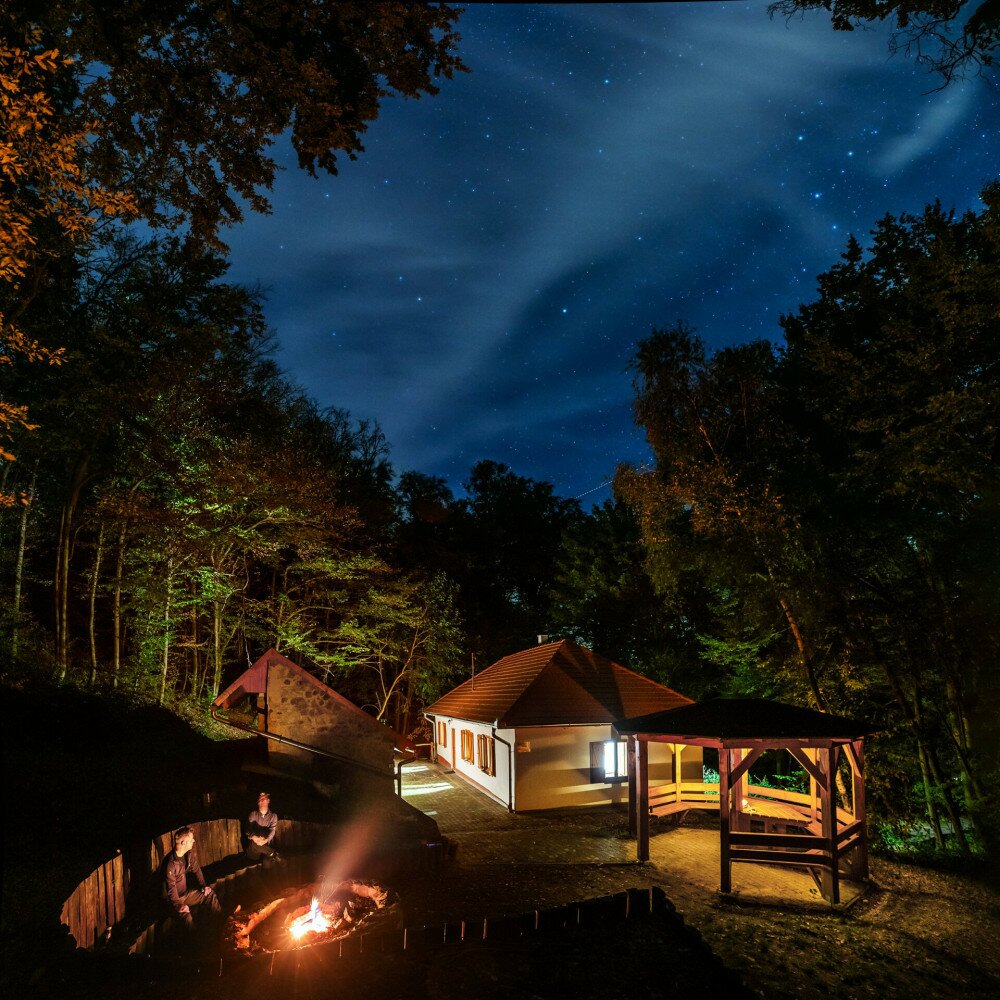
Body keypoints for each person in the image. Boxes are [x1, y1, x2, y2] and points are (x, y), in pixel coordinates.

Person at [162, 827, 220, 929]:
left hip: (185, 895)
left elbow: (197, 869)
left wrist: (203, 886)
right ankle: (195, 940)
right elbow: (171, 888)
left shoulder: (187, 855)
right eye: (191, 839)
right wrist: (178, 906)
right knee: (186, 917)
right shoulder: (170, 864)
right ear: (183, 843)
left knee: (209, 894)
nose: (193, 841)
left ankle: (221, 923)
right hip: (171, 901)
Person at [246, 792, 279, 864]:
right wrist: (255, 837)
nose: (262, 801)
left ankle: (271, 854)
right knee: (255, 844)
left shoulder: (273, 816)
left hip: (266, 846)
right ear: (258, 803)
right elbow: (248, 829)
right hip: (253, 850)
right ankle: (273, 853)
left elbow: (272, 830)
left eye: (264, 799)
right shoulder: (253, 814)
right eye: (260, 800)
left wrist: (266, 840)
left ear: (268, 801)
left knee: (267, 864)